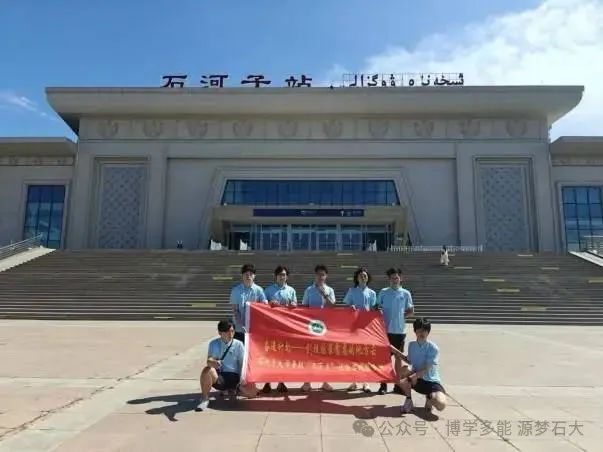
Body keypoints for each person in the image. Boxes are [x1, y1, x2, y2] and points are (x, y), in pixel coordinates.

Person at [198, 320, 256, 410]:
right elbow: (209, 360)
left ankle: (234, 390)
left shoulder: (239, 344)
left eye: (232, 331)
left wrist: (243, 380)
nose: (230, 334)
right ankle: (205, 399)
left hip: (234, 377)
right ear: (220, 332)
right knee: (207, 370)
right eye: (227, 331)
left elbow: (243, 364)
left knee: (252, 393)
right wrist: (213, 362)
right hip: (219, 377)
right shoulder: (213, 343)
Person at [376, 267, 414, 395]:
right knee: (384, 359)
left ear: (401, 279)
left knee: (398, 358)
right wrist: (379, 312)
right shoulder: (384, 292)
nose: (394, 280)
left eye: (396, 278)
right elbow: (376, 306)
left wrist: (401, 317)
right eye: (392, 278)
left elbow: (411, 310)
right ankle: (383, 385)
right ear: (389, 279)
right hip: (385, 331)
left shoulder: (405, 293)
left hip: (400, 331)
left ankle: (398, 385)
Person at [398, 318, 447, 414]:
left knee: (441, 404)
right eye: (419, 330)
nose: (421, 333)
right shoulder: (411, 345)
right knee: (404, 370)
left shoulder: (433, 348)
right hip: (417, 381)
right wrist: (397, 353)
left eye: (424, 330)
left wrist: (411, 377)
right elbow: (409, 360)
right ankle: (409, 400)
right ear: (415, 331)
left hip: (431, 382)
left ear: (428, 332)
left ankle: (429, 397)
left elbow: (426, 369)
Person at [262, 265, 298, 394]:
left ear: (287, 277)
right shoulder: (268, 290)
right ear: (275, 276)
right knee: (270, 355)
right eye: (279, 275)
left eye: (284, 275)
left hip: (285, 328)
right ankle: (267, 382)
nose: (282, 277)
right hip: (271, 327)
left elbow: (295, 305)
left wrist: (293, 305)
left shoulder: (291, 290)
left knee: (282, 355)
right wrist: (270, 304)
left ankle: (281, 381)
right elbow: (262, 305)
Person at [300, 264, 336, 392]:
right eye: (318, 274)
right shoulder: (309, 290)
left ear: (326, 276)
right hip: (311, 326)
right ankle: (307, 382)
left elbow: (332, 306)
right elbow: (304, 307)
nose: (320, 277)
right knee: (309, 354)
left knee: (325, 354)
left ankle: (325, 381)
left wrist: (325, 295)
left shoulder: (330, 290)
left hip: (325, 327)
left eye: (323, 274)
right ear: (315, 276)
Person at [343, 267, 377, 393]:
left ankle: (366, 381)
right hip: (354, 326)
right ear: (357, 278)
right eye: (361, 276)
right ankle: (354, 381)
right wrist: (350, 307)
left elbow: (374, 310)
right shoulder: (352, 291)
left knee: (365, 354)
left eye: (365, 276)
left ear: (368, 278)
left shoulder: (372, 293)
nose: (363, 277)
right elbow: (346, 306)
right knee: (354, 355)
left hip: (366, 327)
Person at [229, 263, 267, 343]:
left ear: (254, 276)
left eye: (251, 274)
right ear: (242, 276)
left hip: (255, 329)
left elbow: (264, 306)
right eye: (246, 274)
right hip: (239, 329)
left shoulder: (259, 290)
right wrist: (241, 324)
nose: (248, 276)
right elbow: (235, 310)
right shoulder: (235, 290)